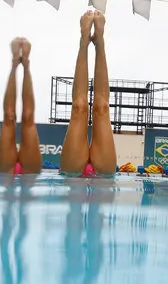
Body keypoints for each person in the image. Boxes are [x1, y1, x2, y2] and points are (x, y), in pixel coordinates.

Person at [59, 11, 117, 177]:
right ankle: (84, 40)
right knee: (79, 106)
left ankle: (99, 40)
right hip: (73, 174)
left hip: (102, 178)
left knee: (102, 107)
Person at [0, 38, 42, 174]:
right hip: (10, 172)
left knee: (27, 117)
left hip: (27, 171)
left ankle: (26, 65)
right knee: (9, 116)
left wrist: (25, 66)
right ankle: (15, 63)